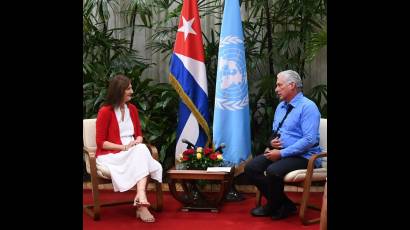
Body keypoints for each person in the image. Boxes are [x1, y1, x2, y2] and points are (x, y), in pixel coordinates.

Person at [245, 70, 322, 220]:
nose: (276, 89)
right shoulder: (281, 107)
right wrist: (271, 143)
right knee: (251, 168)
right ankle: (283, 204)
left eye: (279, 85)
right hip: (280, 152)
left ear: (292, 85)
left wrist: (281, 154)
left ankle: (274, 205)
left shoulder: (308, 107)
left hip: (305, 156)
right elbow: (277, 132)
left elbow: (309, 140)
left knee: (273, 171)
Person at [95, 74, 163, 223]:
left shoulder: (132, 109)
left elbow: (139, 135)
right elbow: (101, 143)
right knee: (142, 152)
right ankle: (141, 203)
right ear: (119, 91)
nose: (132, 91)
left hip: (133, 151)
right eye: (128, 89)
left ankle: (141, 199)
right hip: (112, 154)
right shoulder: (105, 111)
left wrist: (136, 142)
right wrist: (125, 147)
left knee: (141, 149)